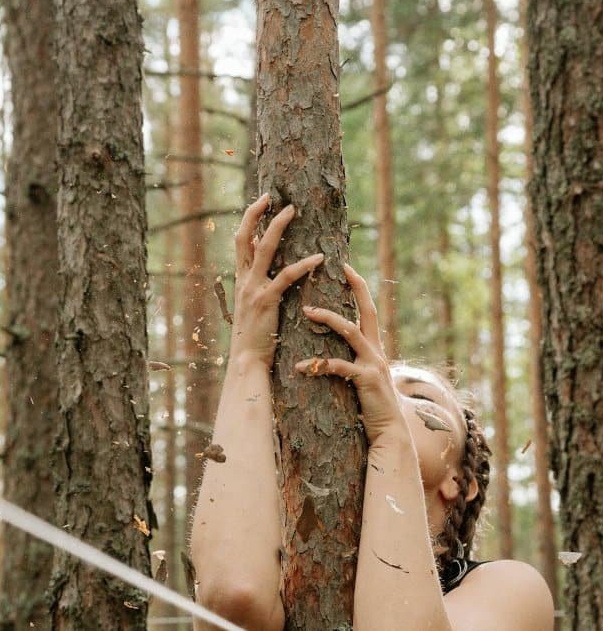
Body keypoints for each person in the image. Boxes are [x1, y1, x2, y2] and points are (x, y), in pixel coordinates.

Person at [190, 193, 554, 630]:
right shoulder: (279, 570)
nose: (378, 392)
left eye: (418, 398)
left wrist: (388, 432)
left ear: (462, 482)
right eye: (369, 385)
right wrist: (248, 357)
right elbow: (235, 597)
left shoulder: (511, 588)